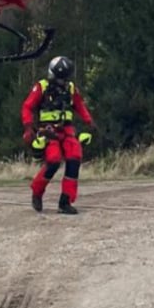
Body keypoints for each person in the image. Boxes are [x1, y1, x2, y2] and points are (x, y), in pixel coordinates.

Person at [21, 56, 95, 214]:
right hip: (48, 131)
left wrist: (89, 121)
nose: (61, 81)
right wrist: (28, 127)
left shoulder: (71, 89)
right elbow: (27, 107)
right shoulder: (41, 87)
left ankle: (65, 201)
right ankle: (37, 191)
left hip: (67, 130)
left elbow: (79, 105)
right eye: (59, 77)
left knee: (74, 159)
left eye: (64, 78)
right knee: (53, 161)